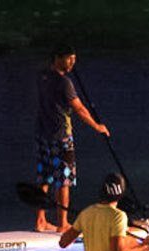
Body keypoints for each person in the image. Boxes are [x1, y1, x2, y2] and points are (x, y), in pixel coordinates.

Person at [35, 44, 110, 233]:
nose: (72, 63)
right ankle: (63, 224)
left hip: (42, 134)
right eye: (69, 59)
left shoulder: (42, 76)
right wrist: (97, 126)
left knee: (45, 177)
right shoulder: (64, 82)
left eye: (74, 59)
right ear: (58, 58)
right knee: (64, 179)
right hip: (61, 136)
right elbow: (80, 109)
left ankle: (40, 221)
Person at [59, 173, 149, 251]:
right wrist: (145, 246)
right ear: (121, 194)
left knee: (130, 237)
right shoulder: (118, 216)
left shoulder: (86, 212)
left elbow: (63, 243)